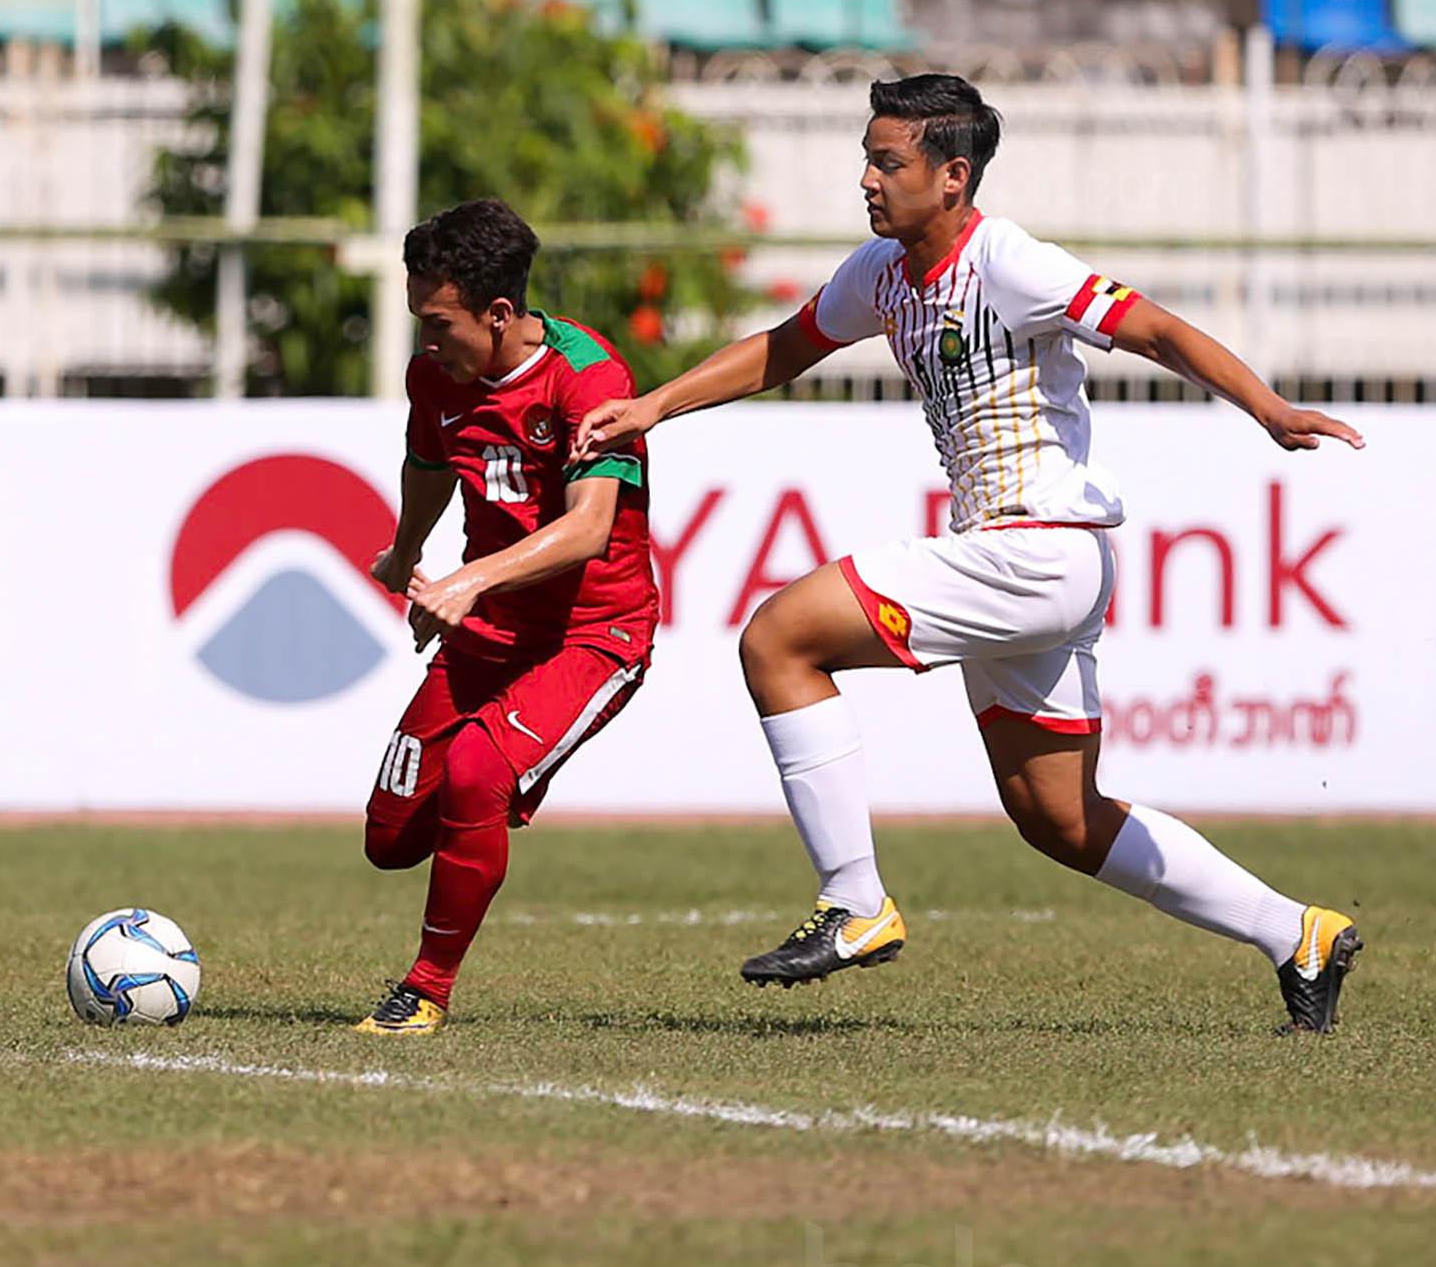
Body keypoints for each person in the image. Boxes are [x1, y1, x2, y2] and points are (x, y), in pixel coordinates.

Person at [575, 73, 1365, 1034]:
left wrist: (1269, 408)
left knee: (779, 637)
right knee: (1059, 819)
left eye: (887, 161)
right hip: (1015, 557)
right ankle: (1299, 933)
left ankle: (855, 902)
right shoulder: (882, 269)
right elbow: (786, 346)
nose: (867, 177)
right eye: (867, 157)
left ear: (953, 176)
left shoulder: (1011, 262)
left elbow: (1151, 325)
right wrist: (656, 404)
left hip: (1037, 550)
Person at [355, 199, 662, 1036]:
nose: (426, 341)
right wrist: (404, 550)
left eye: (438, 322)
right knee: (388, 838)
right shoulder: (436, 376)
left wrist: (471, 580)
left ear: (498, 314)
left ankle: (423, 989)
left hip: (594, 636)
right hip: (490, 634)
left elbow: (590, 526)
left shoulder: (588, 378)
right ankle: (504, 774)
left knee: (477, 773)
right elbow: (429, 459)